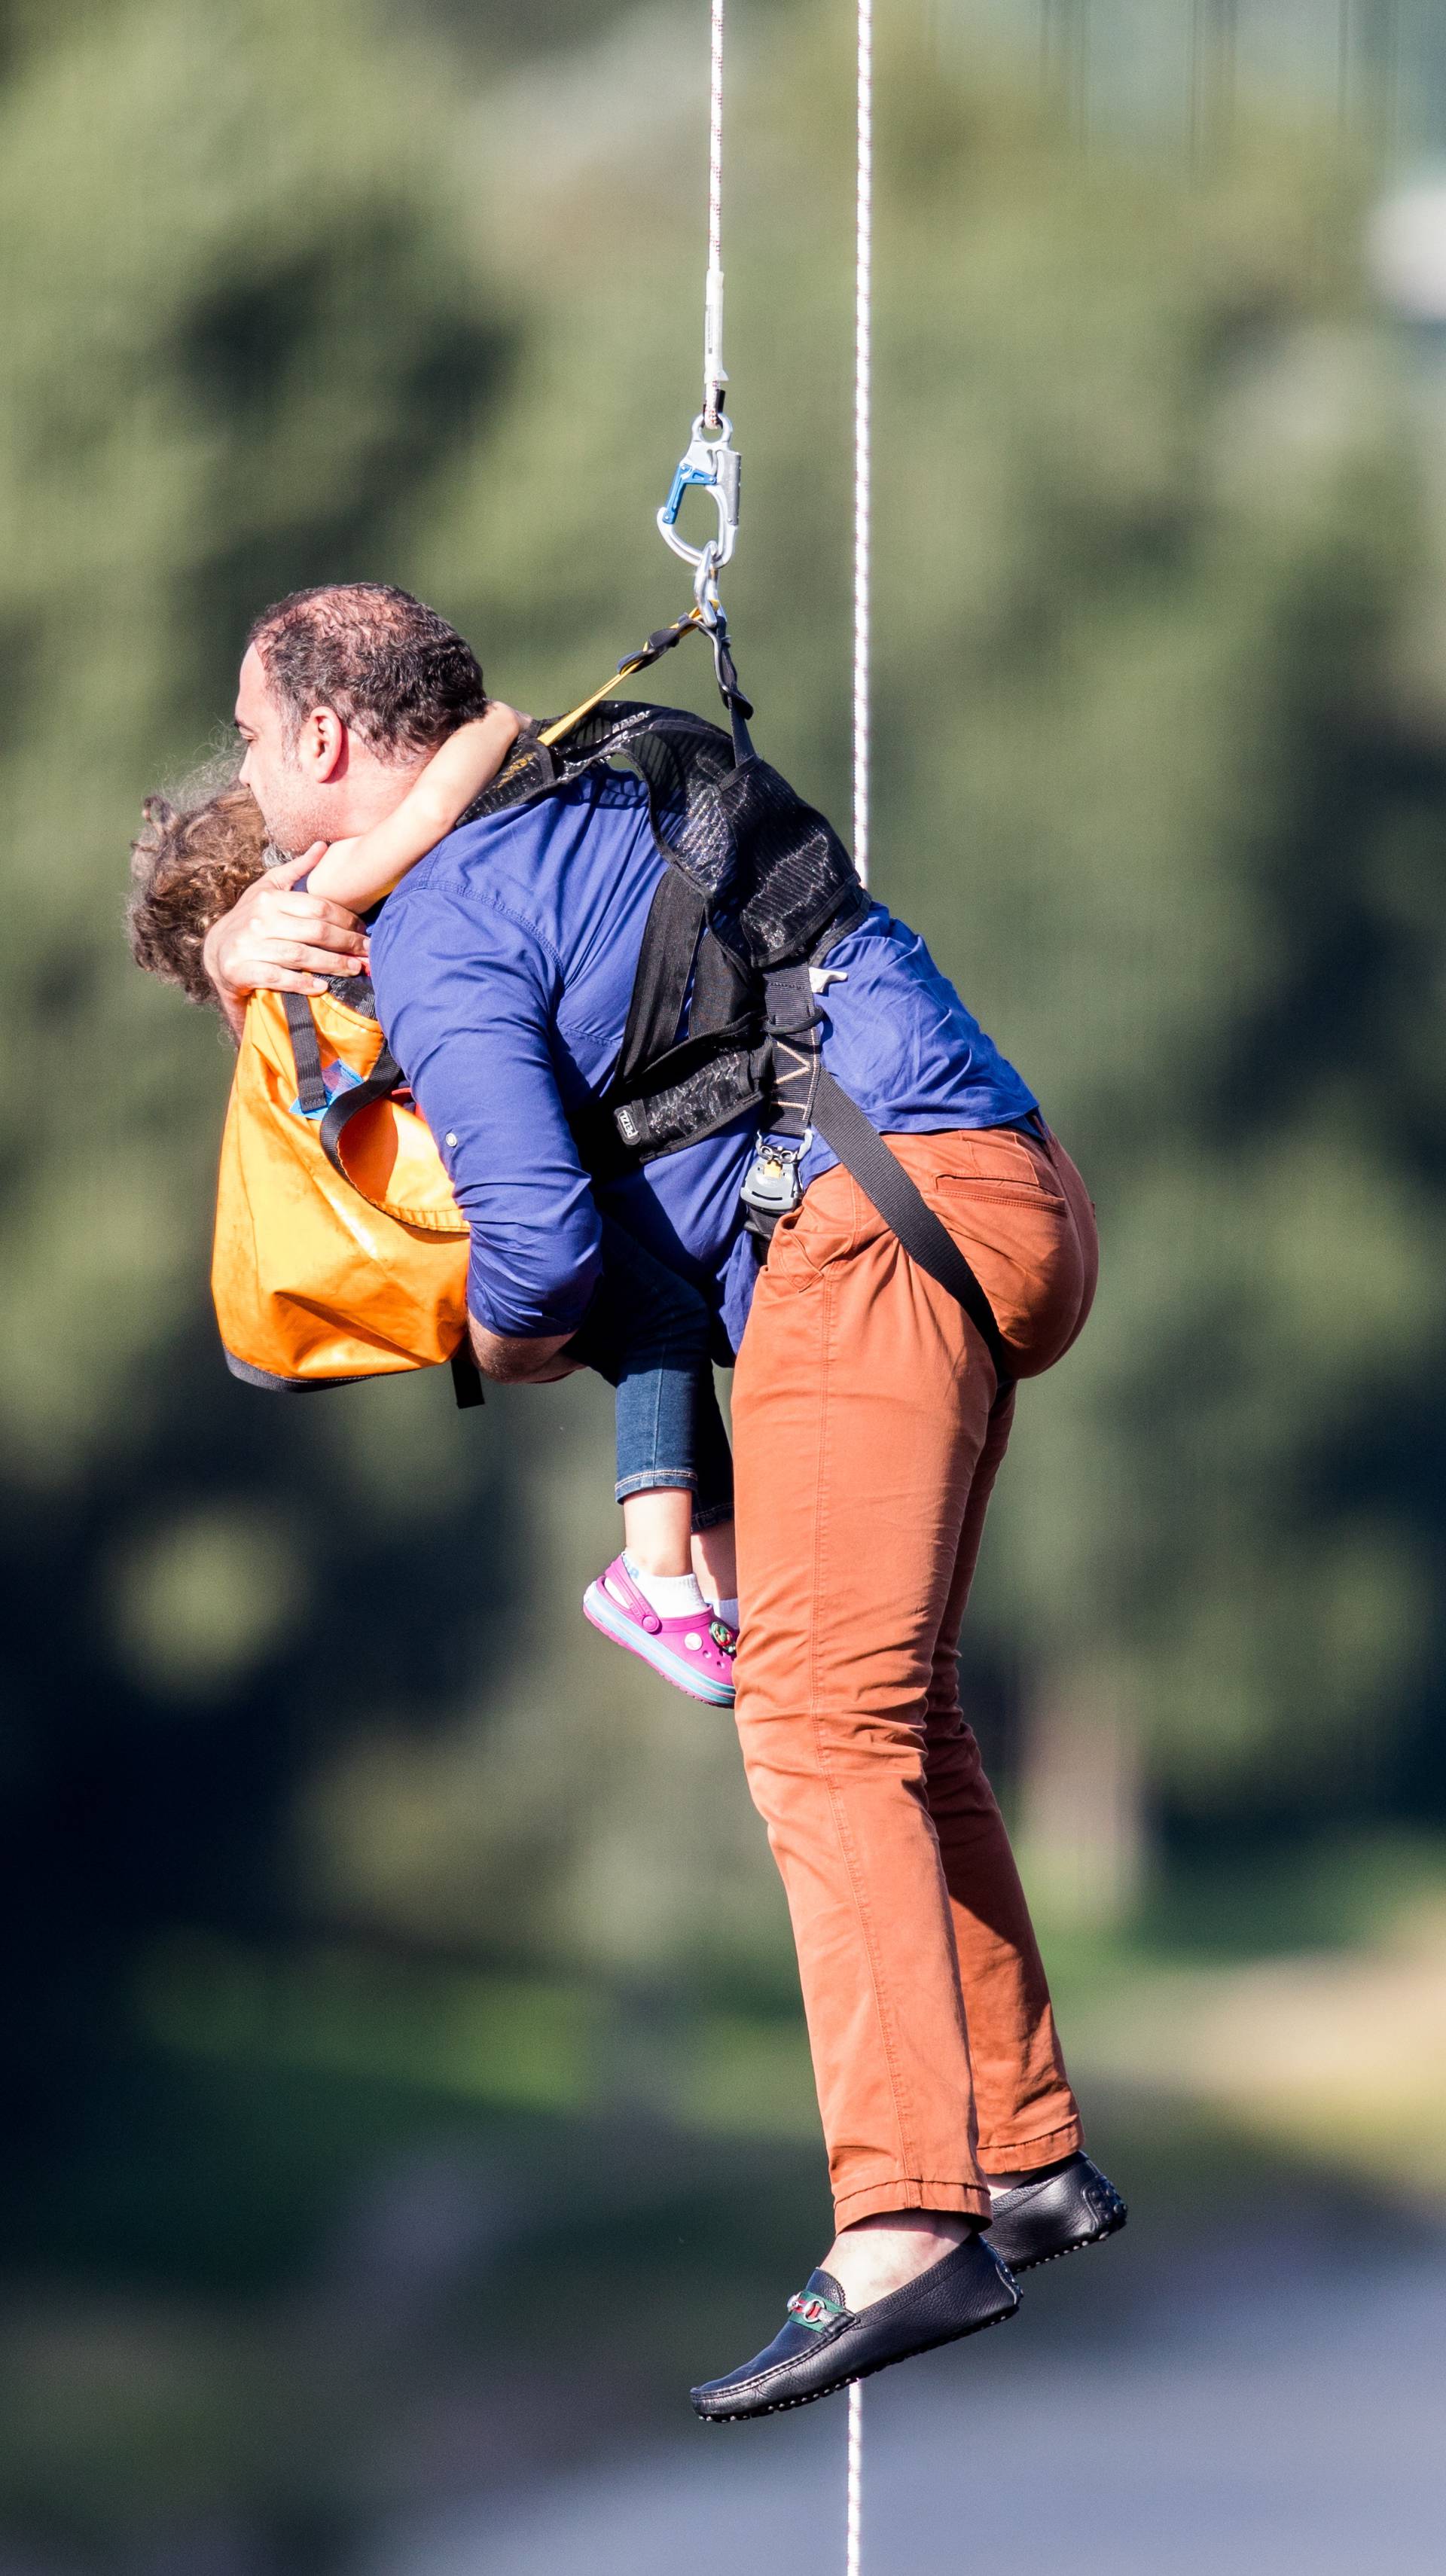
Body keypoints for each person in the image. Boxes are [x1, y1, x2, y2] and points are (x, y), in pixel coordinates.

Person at [203, 580, 1125, 2420]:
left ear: (323, 737)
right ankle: (1020, 2150)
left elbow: (536, 1245)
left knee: (814, 1725)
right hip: (986, 1196)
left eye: (248, 738)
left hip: (866, 1240)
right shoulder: (561, 787)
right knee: (897, 1707)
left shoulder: (449, 924)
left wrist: (500, 1341)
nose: (240, 771)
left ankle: (907, 2226)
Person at [129, 712, 740, 1706]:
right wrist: (495, 725)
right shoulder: (313, 897)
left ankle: (720, 1585)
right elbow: (438, 804)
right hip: (479, 1193)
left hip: (433, 1217)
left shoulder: (257, 996)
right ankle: (657, 1581)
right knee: (664, 1319)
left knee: (651, 1331)